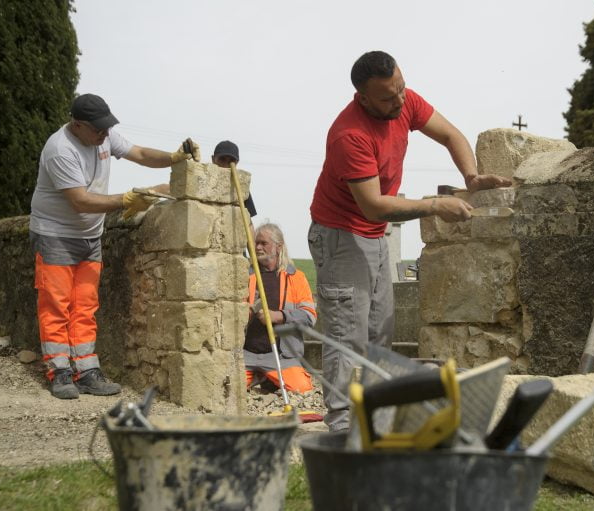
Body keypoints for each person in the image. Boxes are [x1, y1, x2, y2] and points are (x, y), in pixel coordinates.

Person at [308, 50, 513, 431]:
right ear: (363, 97)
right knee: (346, 333)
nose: (400, 100)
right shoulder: (349, 135)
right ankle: (340, 425)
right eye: (388, 97)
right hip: (340, 235)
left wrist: (471, 177)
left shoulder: (404, 100)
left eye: (401, 88)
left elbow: (451, 134)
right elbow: (372, 206)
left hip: (373, 235)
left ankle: (376, 416)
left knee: (379, 330)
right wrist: (434, 206)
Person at [30, 93, 201, 399]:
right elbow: (80, 201)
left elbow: (141, 154)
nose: (105, 134)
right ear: (78, 125)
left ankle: (86, 371)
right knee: (56, 304)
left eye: (107, 128)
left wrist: (175, 158)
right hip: (55, 234)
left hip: (89, 235)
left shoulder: (103, 136)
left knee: (84, 305)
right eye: (98, 129)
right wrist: (126, 199)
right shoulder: (60, 150)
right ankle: (59, 371)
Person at [245, 223, 315, 393]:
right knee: (228, 388)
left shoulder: (296, 278)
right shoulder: (246, 275)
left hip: (281, 356)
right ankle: (262, 376)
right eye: (256, 243)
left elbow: (309, 316)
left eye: (263, 243)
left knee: (302, 387)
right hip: (246, 354)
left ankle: (268, 375)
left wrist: (279, 316)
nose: (258, 247)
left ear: (278, 247)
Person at [211, 140, 257, 243]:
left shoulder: (240, 189)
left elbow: (249, 224)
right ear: (213, 159)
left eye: (231, 161)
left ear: (237, 163)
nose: (226, 165)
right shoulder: (204, 184)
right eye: (222, 159)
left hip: (234, 248)